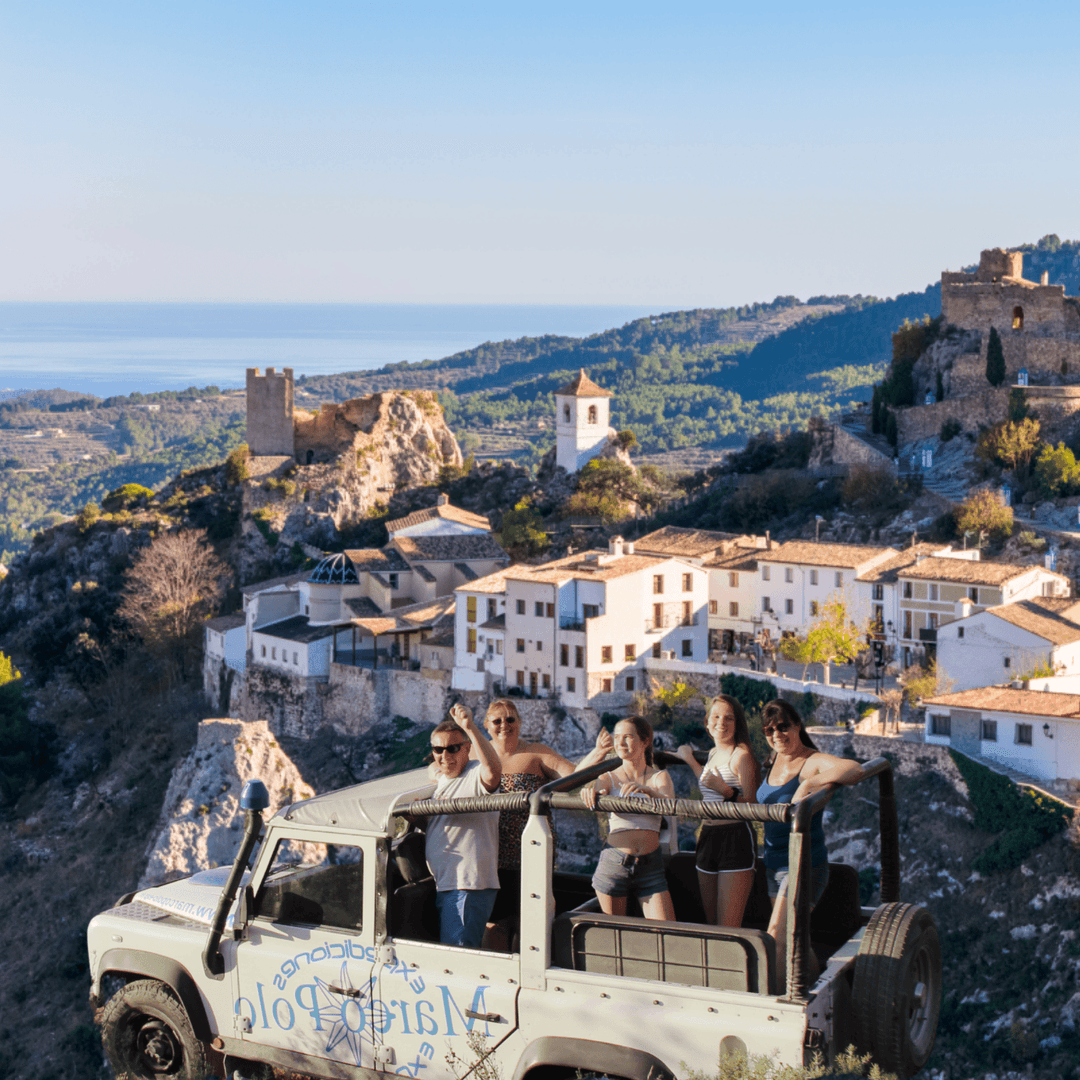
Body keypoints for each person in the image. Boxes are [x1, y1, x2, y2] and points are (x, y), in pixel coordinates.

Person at [483, 698, 614, 949]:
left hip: (531, 849)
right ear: (487, 725)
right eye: (497, 720)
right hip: (491, 851)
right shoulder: (478, 755)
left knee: (529, 916)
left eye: (510, 719)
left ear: (519, 723)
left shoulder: (536, 752)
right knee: (494, 920)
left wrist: (597, 753)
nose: (504, 725)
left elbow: (573, 777)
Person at [756, 699, 862, 980]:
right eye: (769, 730)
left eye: (783, 727)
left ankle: (791, 1000)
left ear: (797, 726)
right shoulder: (772, 760)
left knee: (778, 938)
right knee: (794, 940)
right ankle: (819, 990)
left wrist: (809, 783)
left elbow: (854, 769)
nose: (777, 735)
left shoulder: (810, 761)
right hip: (775, 865)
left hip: (804, 864)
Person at [675, 694, 760, 927]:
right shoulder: (712, 754)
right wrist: (689, 759)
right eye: (716, 717)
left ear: (737, 724)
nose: (721, 722)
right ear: (707, 722)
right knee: (710, 921)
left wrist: (728, 792)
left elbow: (754, 807)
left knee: (728, 925)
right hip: (707, 836)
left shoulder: (741, 756)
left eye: (729, 718)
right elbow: (707, 785)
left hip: (735, 838)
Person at [424, 703, 503, 948]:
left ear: (467, 749)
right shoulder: (444, 778)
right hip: (450, 883)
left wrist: (470, 728)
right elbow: (434, 769)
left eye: (453, 748)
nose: (445, 756)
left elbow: (493, 770)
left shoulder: (474, 774)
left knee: (458, 956)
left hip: (466, 885)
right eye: (438, 749)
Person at [582, 716, 676, 921]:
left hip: (651, 867)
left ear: (645, 741)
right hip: (615, 865)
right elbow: (581, 782)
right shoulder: (608, 777)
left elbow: (670, 807)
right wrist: (589, 791)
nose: (620, 742)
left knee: (668, 934)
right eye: (617, 737)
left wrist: (647, 791)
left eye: (628, 737)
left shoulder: (659, 777)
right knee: (615, 938)